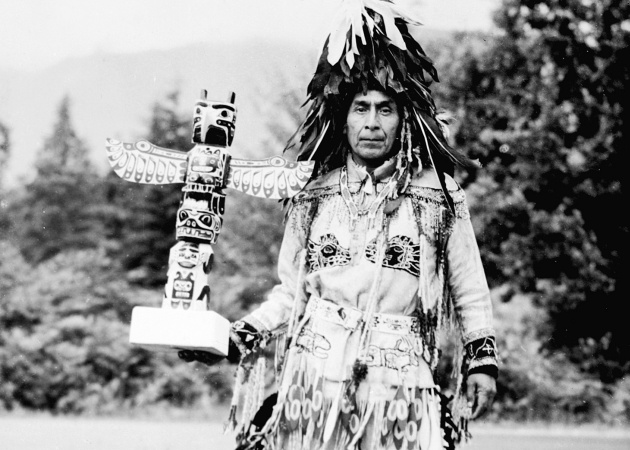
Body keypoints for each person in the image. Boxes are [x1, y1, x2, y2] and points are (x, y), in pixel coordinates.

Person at [180, 2, 498, 449]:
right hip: (314, 383)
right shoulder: (312, 193)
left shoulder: (439, 195)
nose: (371, 123)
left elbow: (469, 287)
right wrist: (234, 339)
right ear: (343, 117)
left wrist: (481, 363)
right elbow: (290, 294)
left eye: (385, 109)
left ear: (404, 118)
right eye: (361, 108)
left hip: (400, 385)